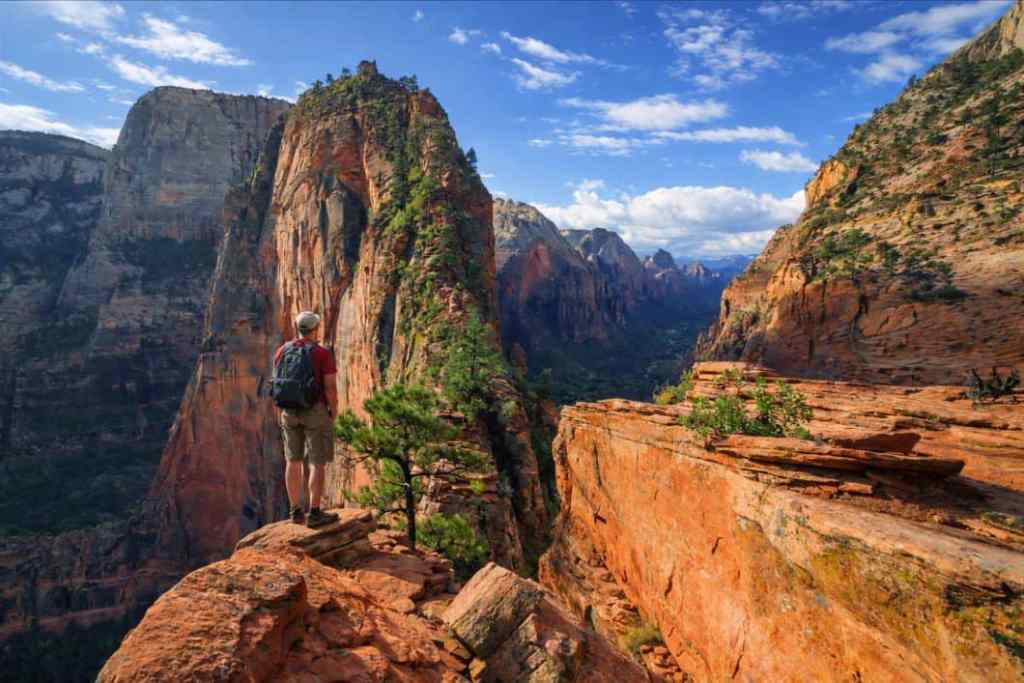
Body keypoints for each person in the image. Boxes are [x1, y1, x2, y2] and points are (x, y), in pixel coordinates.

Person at [272, 311, 340, 527]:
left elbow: (278, 381)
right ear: (316, 329)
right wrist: (333, 411)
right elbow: (330, 387)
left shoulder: (282, 350)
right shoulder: (322, 353)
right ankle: (315, 513)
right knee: (317, 462)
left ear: (297, 328)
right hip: (314, 411)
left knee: (293, 460)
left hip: (288, 411)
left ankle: (295, 511)